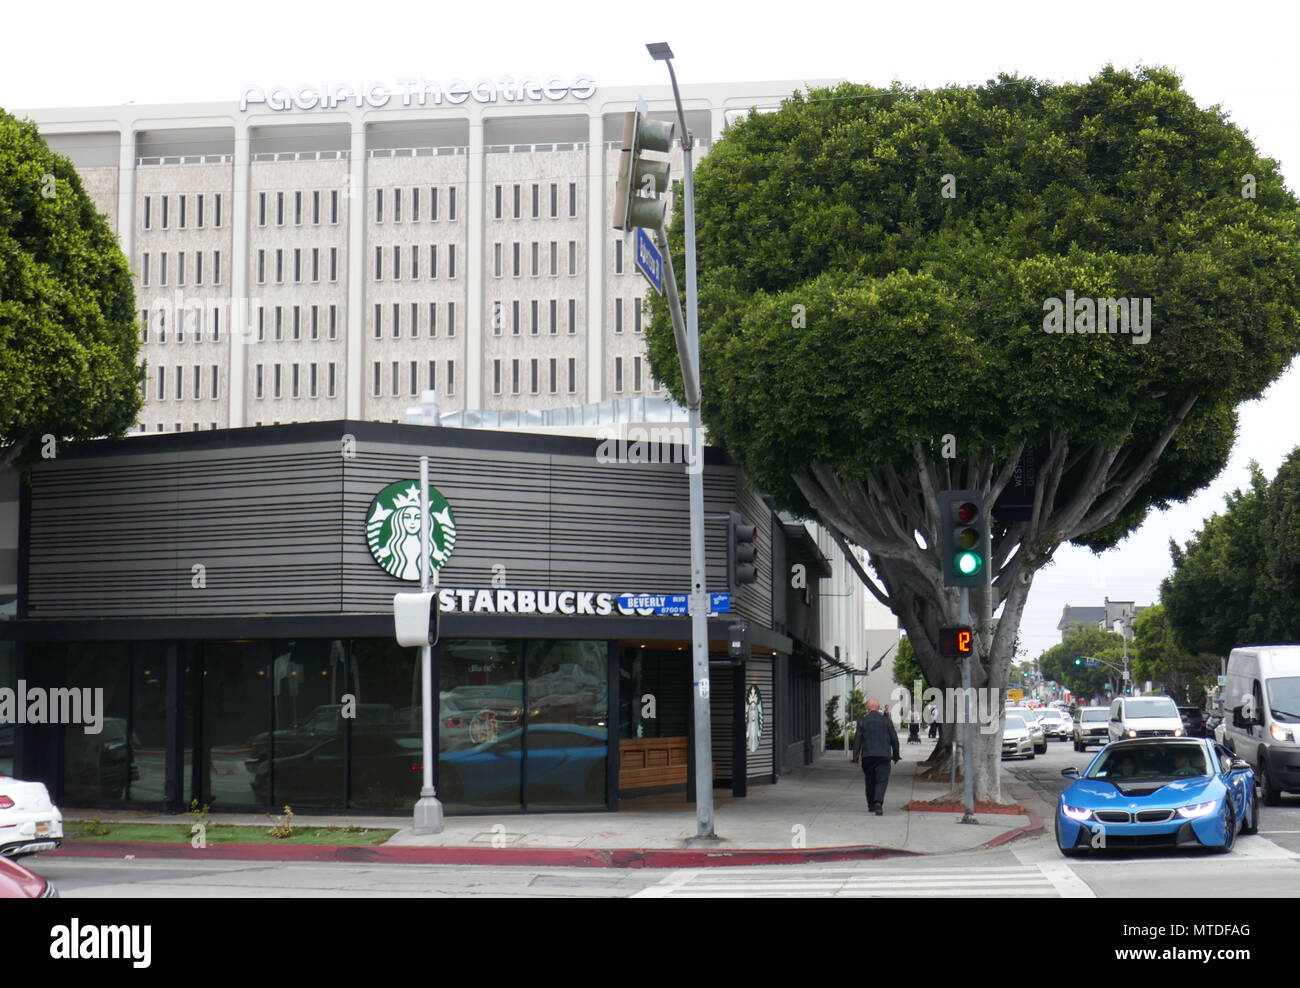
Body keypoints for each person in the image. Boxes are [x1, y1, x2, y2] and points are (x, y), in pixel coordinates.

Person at [852, 697, 901, 815]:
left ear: (867, 709)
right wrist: (896, 755)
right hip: (884, 756)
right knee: (881, 780)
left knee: (869, 780)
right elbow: (894, 739)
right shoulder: (886, 721)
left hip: (868, 756)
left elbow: (857, 740)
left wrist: (856, 756)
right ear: (879, 708)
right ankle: (878, 801)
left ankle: (871, 805)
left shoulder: (862, 721)